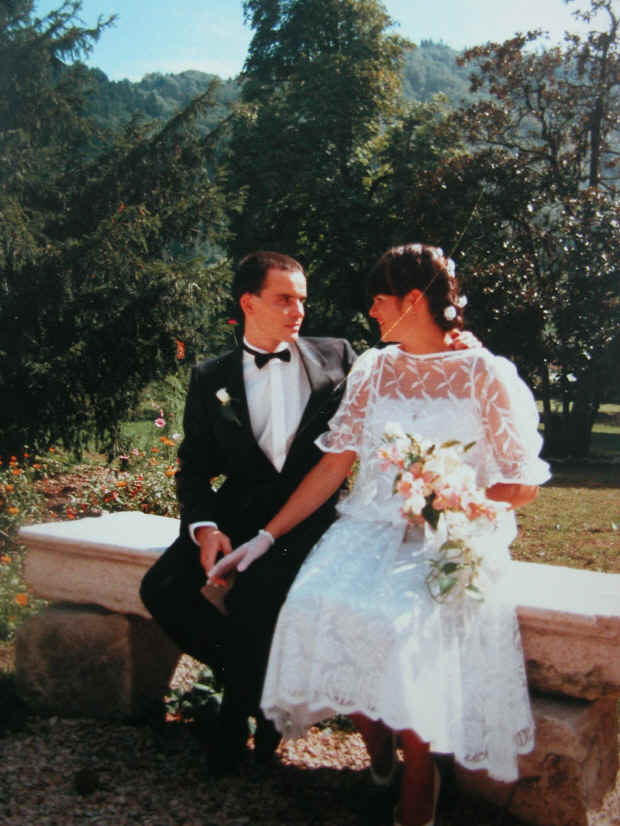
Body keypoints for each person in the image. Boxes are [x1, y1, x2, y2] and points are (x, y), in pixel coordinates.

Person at [209, 244, 550, 825]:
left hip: (450, 537)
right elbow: (334, 465)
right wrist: (266, 536)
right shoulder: (375, 367)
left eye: (379, 299)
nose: (370, 310)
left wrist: (454, 499)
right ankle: (380, 758)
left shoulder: (484, 373)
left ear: (413, 300)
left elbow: (521, 485)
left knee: (403, 631)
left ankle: (421, 772)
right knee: (315, 605)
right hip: (369, 528)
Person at [140, 250, 356, 775]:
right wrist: (206, 528)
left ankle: (234, 722)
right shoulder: (210, 377)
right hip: (237, 512)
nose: (298, 311)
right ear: (249, 303)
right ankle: (259, 687)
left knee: (255, 597)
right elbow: (194, 467)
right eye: (284, 299)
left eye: (302, 299)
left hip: (308, 517)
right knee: (162, 589)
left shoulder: (339, 358)